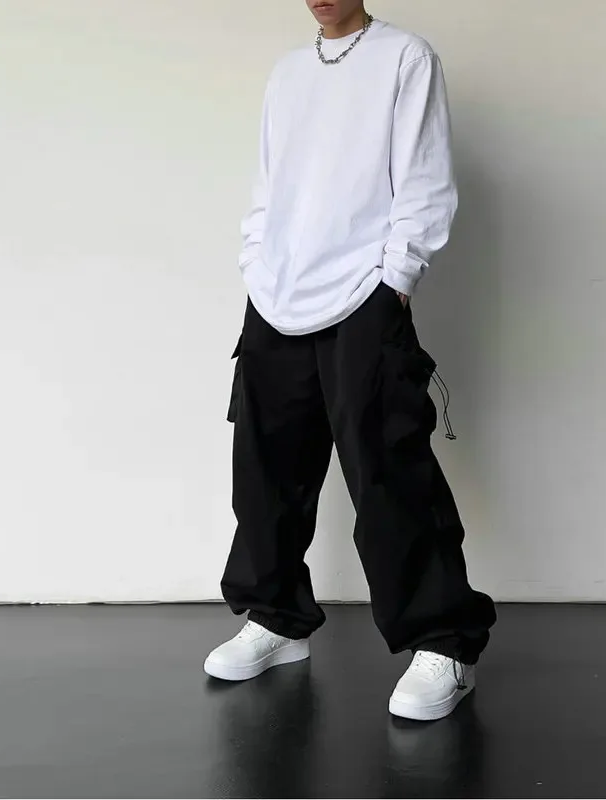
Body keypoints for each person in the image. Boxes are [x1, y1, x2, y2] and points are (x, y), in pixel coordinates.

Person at [204, 0, 496, 722]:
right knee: (265, 462)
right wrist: (255, 262)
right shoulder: (288, 73)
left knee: (387, 463)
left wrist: (397, 279)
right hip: (276, 292)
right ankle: (276, 618)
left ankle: (444, 643)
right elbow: (270, 183)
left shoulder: (405, 58)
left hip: (365, 289)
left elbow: (424, 177)